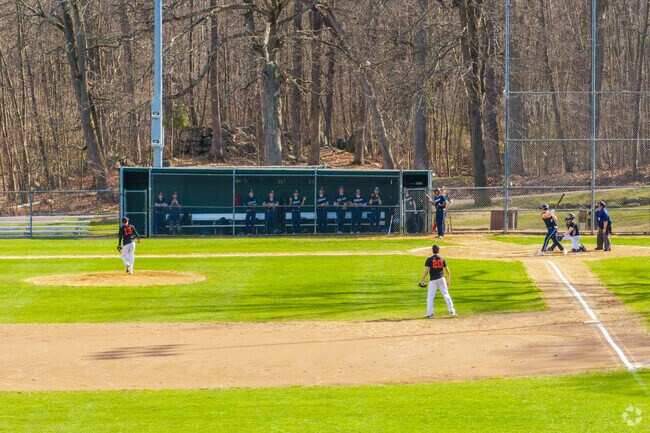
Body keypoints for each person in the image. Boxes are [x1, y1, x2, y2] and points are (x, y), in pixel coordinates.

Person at [418, 244, 456, 318]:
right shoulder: (442, 259)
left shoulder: (429, 259)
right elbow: (448, 272)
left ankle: (430, 314)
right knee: (446, 295)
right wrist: (448, 281)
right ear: (439, 250)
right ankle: (452, 311)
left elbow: (426, 272)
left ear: (432, 250)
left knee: (430, 297)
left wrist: (421, 281)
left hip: (433, 280)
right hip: (442, 278)